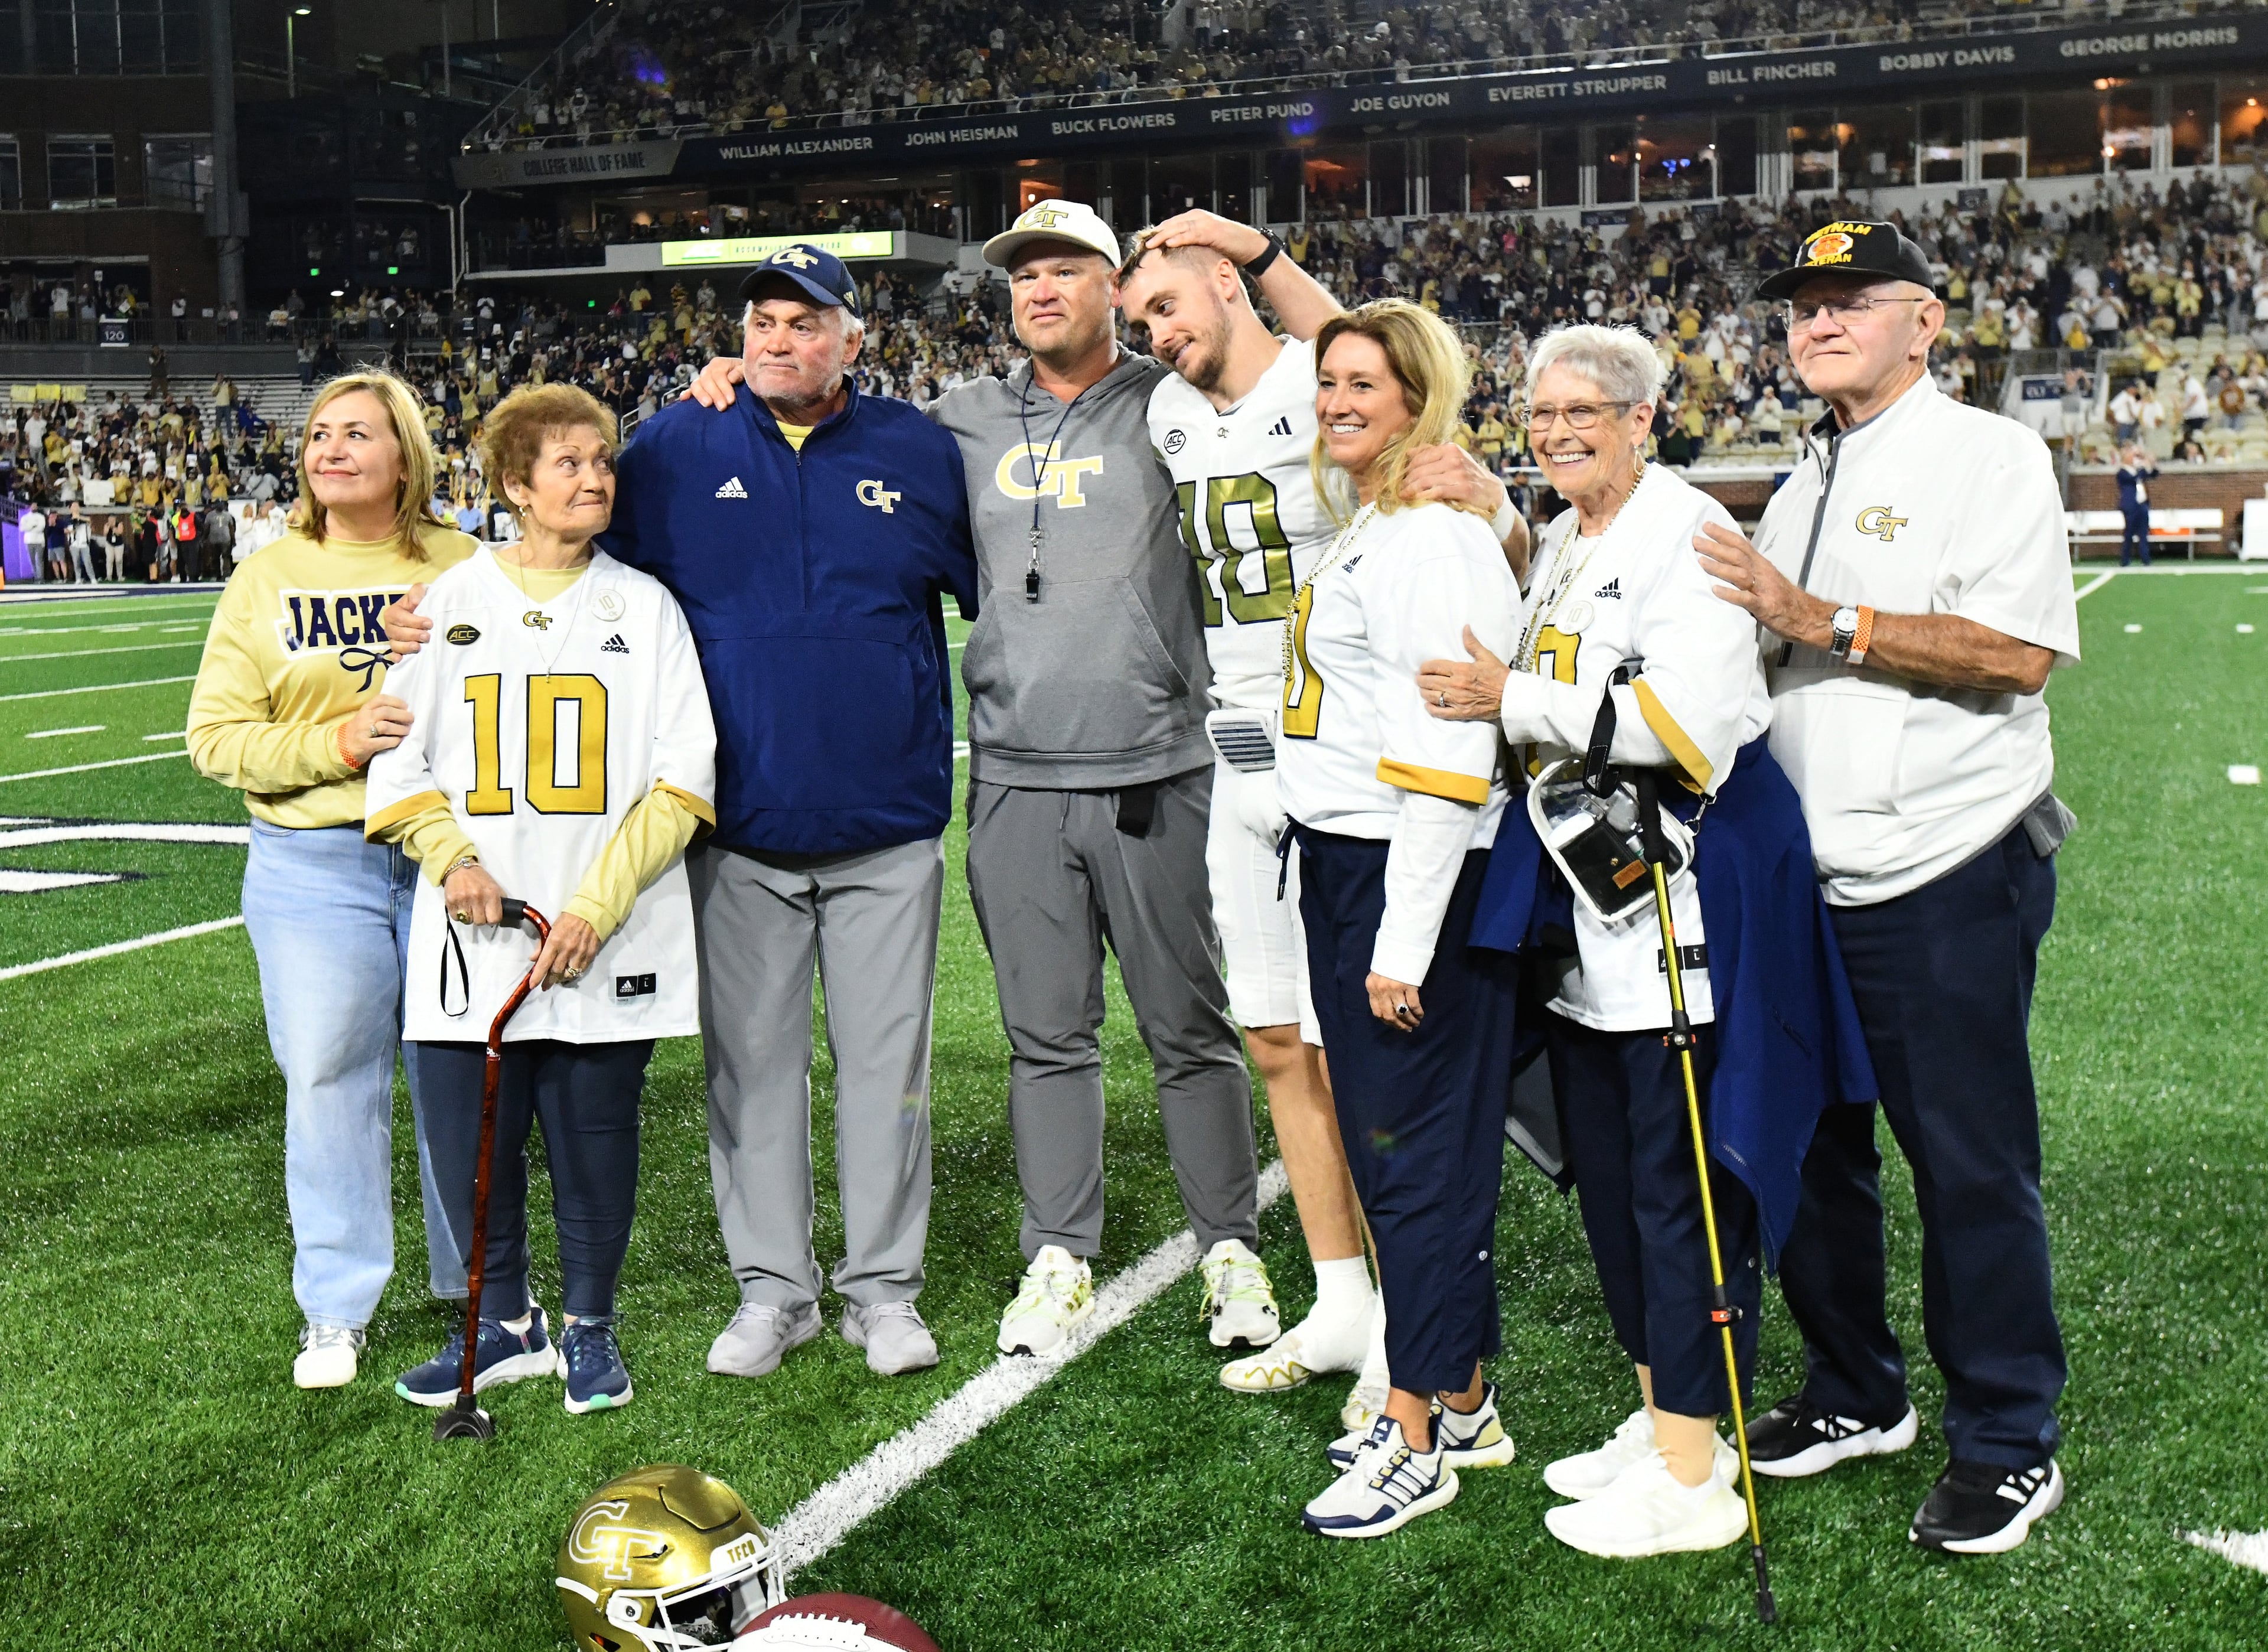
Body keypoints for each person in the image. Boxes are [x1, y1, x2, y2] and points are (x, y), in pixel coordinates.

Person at [695, 204, 1278, 1364]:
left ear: (1116, 288)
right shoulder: (952, 424)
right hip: (1014, 773)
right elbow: (833, 432)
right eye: (1024, 274)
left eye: (1068, 268)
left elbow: (1310, 384)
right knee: (1045, 1036)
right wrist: (737, 375)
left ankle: (1232, 1246)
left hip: (1158, 761)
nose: (1042, 288)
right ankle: (1059, 1251)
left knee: (1189, 1028)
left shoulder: (1175, 398)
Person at [391, 245, 976, 1384]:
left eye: (806, 324)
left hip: (888, 818)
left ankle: (883, 1291)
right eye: (761, 321)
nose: (778, 340)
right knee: (751, 1071)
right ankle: (774, 1290)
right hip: (741, 827)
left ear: (854, 340)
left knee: (886, 1068)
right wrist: (433, 600)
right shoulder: (674, 444)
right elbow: (558, 555)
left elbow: (988, 588)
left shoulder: (917, 449)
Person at [1421, 323, 1873, 1558]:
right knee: (1613, 1185)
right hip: (1581, 910)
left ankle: (1693, 1472)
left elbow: (1692, 730)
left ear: (1642, 420)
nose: (1558, 432)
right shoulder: (1570, 535)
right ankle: (1667, 1416)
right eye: (1542, 414)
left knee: (1679, 1189)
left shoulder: (1688, 533)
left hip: (1672, 904)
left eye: (1584, 412)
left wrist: (1508, 700)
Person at [1697, 220, 2081, 1554]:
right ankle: (1857, 1389)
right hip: (1814, 875)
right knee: (1814, 1148)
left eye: (1847, 300)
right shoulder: (1806, 473)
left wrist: (1825, 620)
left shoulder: (1988, 454)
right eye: (1801, 306)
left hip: (1944, 866)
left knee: (1966, 1163)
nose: (1816, 323)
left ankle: (2006, 1432)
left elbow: (2020, 651)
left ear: (1924, 320)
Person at [1119, 208, 1533, 1429]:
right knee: (1275, 1039)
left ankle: (1421, 1333)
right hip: (1236, 748)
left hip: (1345, 755)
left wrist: (1255, 253)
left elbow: (1420, 425)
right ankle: (1343, 1297)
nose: (1154, 334)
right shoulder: (1164, 407)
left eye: (1167, 307)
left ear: (1227, 289)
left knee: (1370, 1052)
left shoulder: (1324, 375)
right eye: (1142, 318)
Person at [367, 383, 716, 1415]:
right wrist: (453, 858)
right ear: (516, 485)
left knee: (595, 1135)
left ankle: (591, 1328)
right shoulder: (444, 604)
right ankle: (500, 1321)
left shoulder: (646, 608)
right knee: (472, 1136)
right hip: (467, 932)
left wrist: (593, 910)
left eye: (602, 460)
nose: (596, 477)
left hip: (603, 930)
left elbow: (684, 778)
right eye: (568, 462)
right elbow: (398, 758)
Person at [1282, 299, 1523, 1540]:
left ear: (1418, 399)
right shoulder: (1378, 520)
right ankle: (1466, 1399)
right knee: (1404, 1154)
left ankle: (1418, 1428)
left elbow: (1449, 754)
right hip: (1349, 864)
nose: (1336, 402)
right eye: (1329, 381)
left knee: (1415, 1165)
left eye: (1363, 384)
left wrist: (1399, 941)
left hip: (1402, 873)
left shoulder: (1432, 535)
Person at [186, 370, 475, 1391]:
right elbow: (215, 739)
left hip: (449, 858)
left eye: (358, 431)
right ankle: (337, 1305)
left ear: (406, 452)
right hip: (316, 863)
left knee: (464, 1076)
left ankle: (480, 1287)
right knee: (327, 1081)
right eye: (317, 433)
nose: (331, 447)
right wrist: (340, 740)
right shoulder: (264, 578)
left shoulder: (467, 564)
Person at [2115, 445, 2158, 567]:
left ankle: (2146, 559)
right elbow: (2134, 478)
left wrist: (2151, 463)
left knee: (2144, 533)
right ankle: (2125, 560)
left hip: (2142, 505)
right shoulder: (2122, 472)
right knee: (2129, 533)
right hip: (2130, 506)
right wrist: (2144, 464)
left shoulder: (2139, 470)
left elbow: (2153, 475)